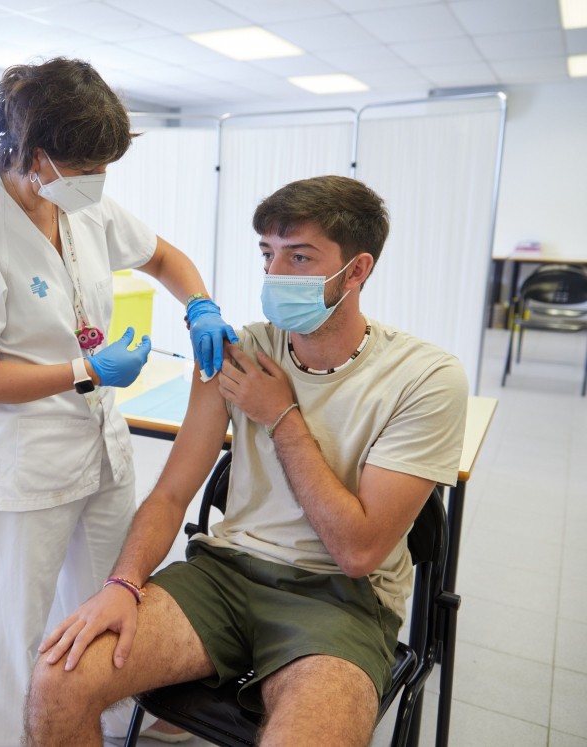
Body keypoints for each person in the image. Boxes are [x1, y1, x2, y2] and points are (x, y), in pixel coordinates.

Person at [24, 176, 469, 746]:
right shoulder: (237, 353)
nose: (274, 275)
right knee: (58, 678)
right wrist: (124, 581)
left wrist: (281, 415)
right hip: (224, 576)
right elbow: (171, 494)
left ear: (357, 271)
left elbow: (357, 551)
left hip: (339, 600)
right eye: (267, 254)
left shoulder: (425, 379)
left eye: (299, 257)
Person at [0, 58, 236, 746]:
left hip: (98, 448)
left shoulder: (82, 203)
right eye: (87, 164)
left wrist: (201, 305)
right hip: (23, 464)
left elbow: (165, 259)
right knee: (16, 638)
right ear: (37, 156)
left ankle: (92, 724)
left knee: (108, 603)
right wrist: (84, 368)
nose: (99, 180)